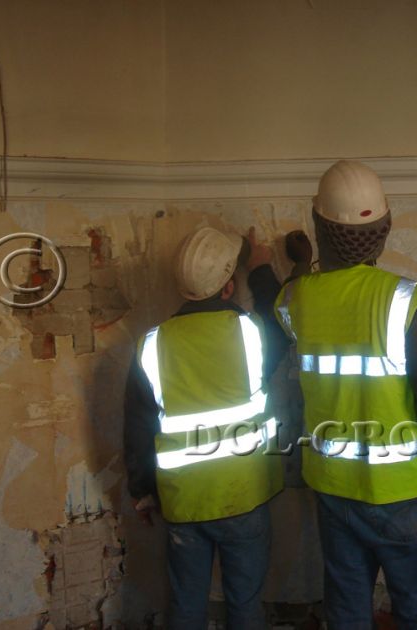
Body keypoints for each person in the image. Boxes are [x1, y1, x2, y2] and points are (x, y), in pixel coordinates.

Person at [274, 160, 417, 629]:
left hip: (335, 494)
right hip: (407, 497)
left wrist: (304, 263)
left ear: (319, 227)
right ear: (384, 230)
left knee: (347, 616)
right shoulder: (407, 300)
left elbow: (290, 302)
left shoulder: (296, 299)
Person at [123, 226, 283, 630]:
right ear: (229, 288)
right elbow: (281, 316)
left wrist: (143, 492)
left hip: (184, 501)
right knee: (245, 605)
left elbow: (138, 426)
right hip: (244, 494)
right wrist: (262, 266)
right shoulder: (250, 331)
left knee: (186, 607)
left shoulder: (153, 343)